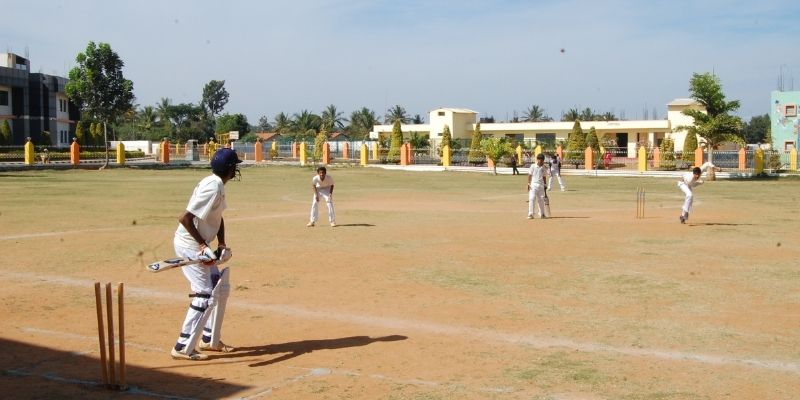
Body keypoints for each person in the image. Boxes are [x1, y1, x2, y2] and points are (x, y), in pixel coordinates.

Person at [171, 148, 241, 360]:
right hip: (189, 245)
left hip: (200, 245)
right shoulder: (212, 186)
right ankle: (182, 346)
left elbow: (218, 217)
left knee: (217, 288)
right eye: (234, 166)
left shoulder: (217, 184)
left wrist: (221, 244)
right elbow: (184, 218)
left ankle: (209, 339)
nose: (236, 170)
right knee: (204, 293)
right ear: (229, 169)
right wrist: (202, 245)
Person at [527, 153, 550, 219]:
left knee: (541, 200)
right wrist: (528, 183)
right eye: (540, 160)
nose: (541, 162)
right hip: (533, 185)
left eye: (542, 161)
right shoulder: (533, 166)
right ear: (537, 160)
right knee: (532, 199)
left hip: (541, 185)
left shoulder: (544, 167)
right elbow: (530, 175)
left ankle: (542, 214)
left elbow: (544, 176)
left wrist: (545, 184)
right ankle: (530, 214)